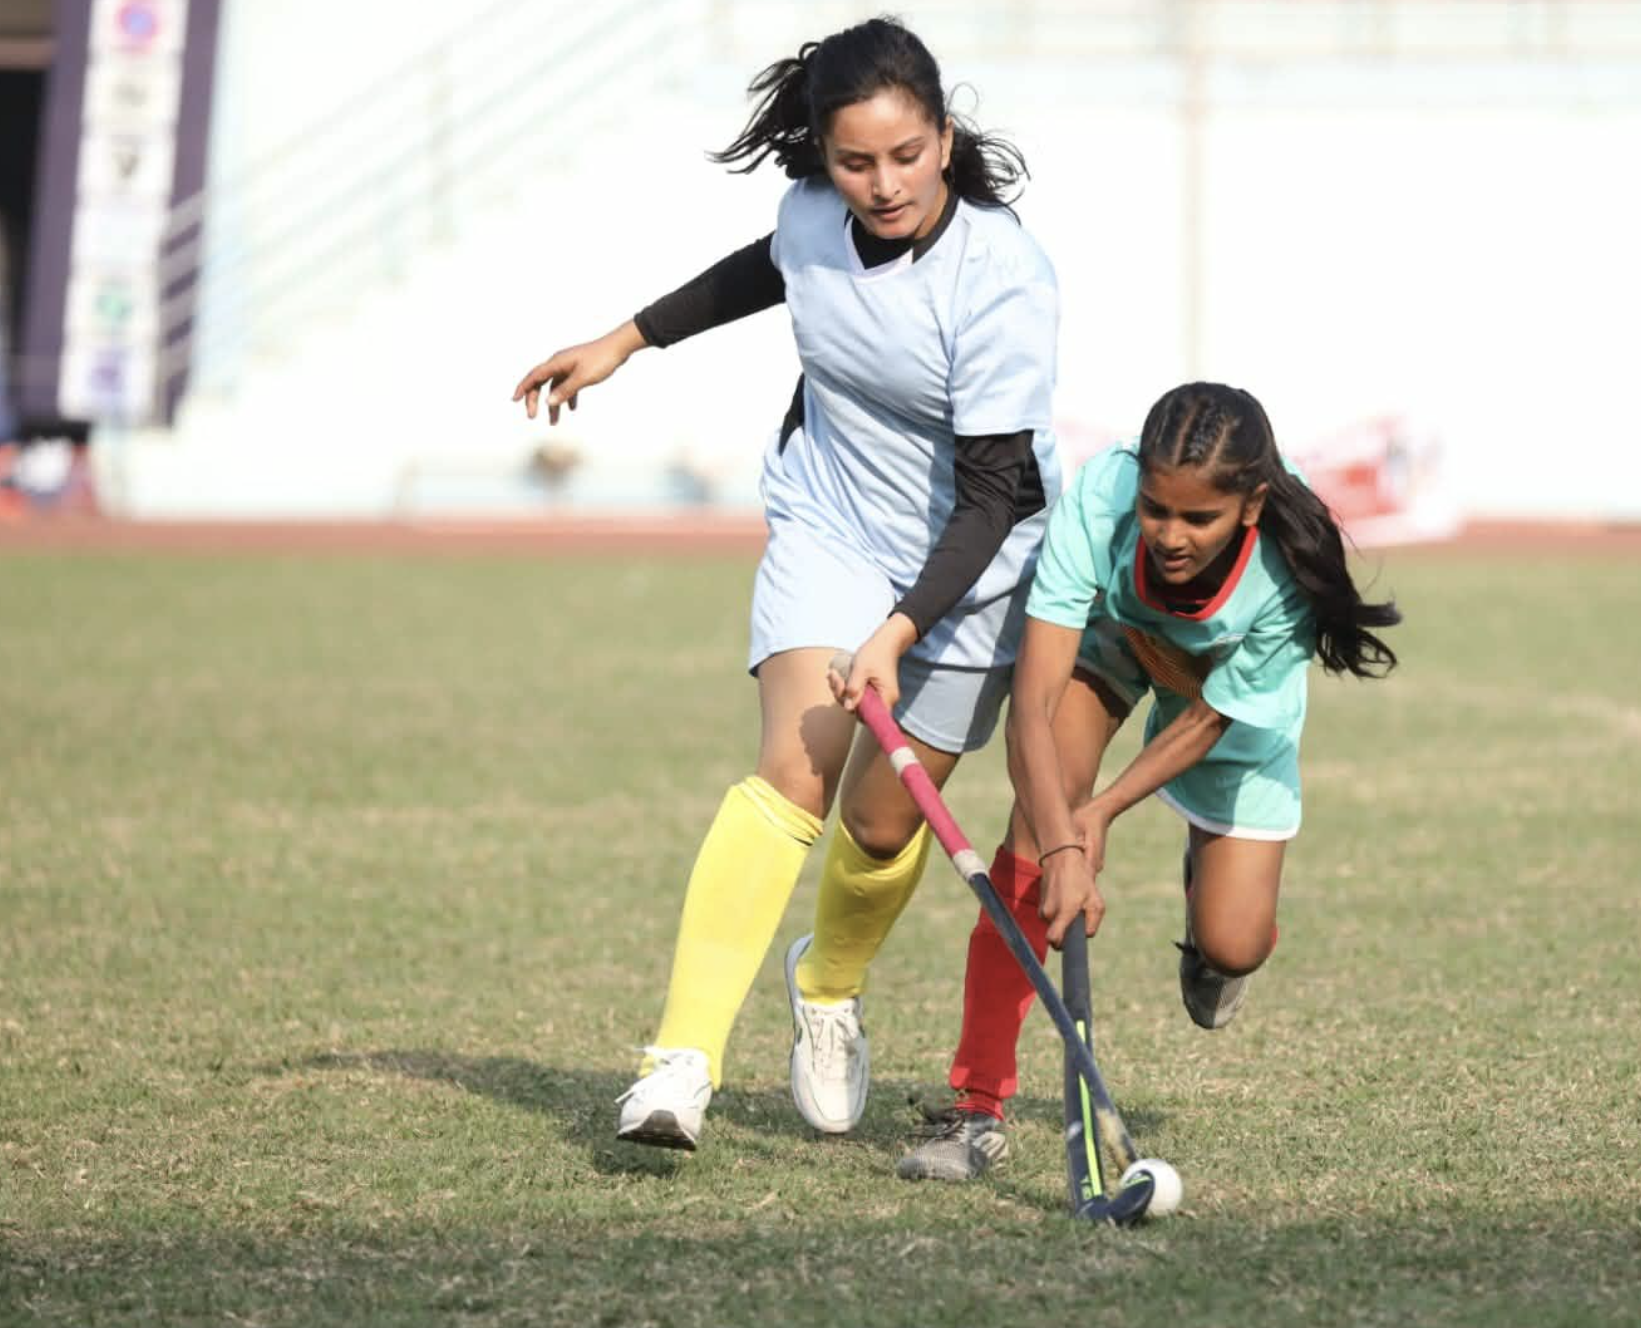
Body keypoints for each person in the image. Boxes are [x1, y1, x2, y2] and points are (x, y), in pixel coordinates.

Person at [512, 17, 1059, 1151]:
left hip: (969, 564)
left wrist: (903, 627)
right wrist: (626, 339)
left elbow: (1000, 491)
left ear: (944, 138)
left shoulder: (1001, 276)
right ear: (823, 154)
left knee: (876, 817)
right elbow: (773, 267)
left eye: (906, 155)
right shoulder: (816, 214)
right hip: (831, 523)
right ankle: (679, 1064)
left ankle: (828, 987)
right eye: (855, 162)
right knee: (791, 773)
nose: (883, 184)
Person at [895, 382, 1400, 1181]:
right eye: (1159, 509)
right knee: (1032, 842)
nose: (1170, 534)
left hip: (1218, 696)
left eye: (1198, 518)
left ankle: (1210, 927)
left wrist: (1102, 813)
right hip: (1118, 641)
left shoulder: (1289, 566)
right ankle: (977, 1105)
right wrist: (1063, 836)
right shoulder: (1102, 497)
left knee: (1236, 941)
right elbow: (1036, 700)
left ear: (1252, 503)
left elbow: (1207, 720)